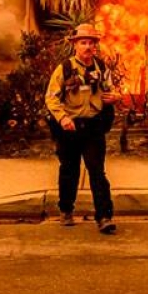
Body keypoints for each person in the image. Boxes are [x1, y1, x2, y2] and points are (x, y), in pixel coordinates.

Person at [45, 23, 120, 234]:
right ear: (75, 45)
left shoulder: (101, 68)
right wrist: (62, 118)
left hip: (93, 127)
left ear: (96, 46)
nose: (88, 46)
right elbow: (51, 99)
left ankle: (104, 217)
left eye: (91, 43)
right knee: (69, 170)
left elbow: (110, 91)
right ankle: (66, 209)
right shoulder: (65, 69)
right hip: (70, 128)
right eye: (83, 42)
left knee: (97, 171)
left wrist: (115, 97)